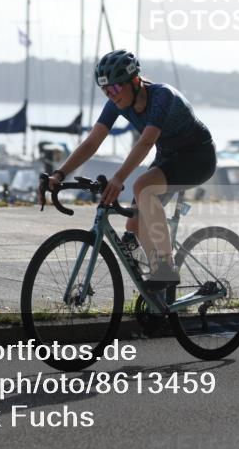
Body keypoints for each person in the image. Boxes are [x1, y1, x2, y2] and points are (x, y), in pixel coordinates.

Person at [42, 49, 216, 288]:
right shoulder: (117, 104)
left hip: (198, 157)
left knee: (142, 185)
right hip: (169, 157)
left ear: (135, 81)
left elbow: (146, 142)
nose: (111, 95)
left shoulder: (162, 96)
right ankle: (159, 302)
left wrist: (118, 178)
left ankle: (165, 268)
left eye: (114, 88)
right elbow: (92, 141)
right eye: (105, 90)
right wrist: (60, 173)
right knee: (133, 224)